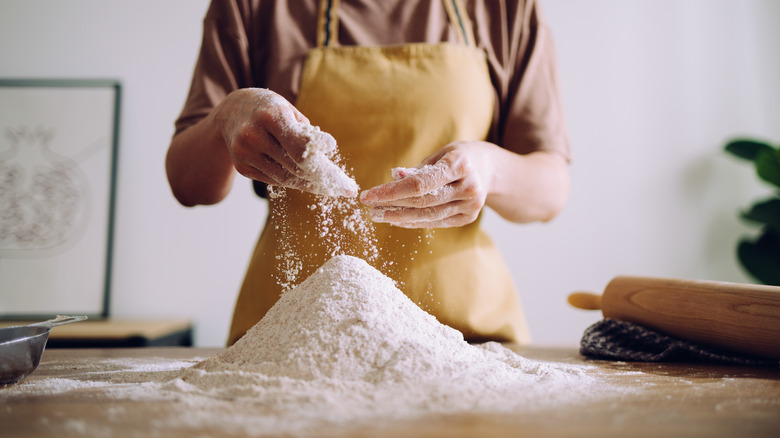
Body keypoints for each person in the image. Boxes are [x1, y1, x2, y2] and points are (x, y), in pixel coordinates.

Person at [166, 0, 571, 346]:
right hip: (292, 341)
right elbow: (187, 183)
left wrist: (490, 169)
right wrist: (227, 116)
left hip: (465, 340)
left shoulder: (502, 8)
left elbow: (551, 188)